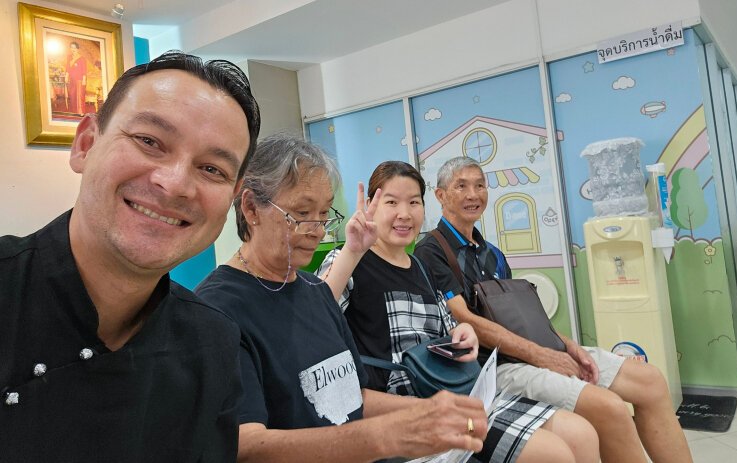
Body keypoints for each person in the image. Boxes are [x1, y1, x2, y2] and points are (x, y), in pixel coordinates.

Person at [0, 51, 261, 462]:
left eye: (212, 169)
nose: (175, 184)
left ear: (231, 196)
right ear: (86, 144)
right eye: (149, 141)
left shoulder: (213, 340)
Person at [194, 135, 489, 463]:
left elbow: (353, 397)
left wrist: (432, 410)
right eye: (302, 213)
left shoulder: (313, 291)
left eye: (324, 214)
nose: (318, 230)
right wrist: (385, 436)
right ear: (251, 207)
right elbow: (246, 447)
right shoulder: (219, 310)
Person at [414, 156, 693, 463]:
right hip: (495, 367)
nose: (473, 194)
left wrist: (569, 348)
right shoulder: (432, 250)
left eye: (480, 185)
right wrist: (544, 356)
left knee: (650, 381)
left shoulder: (492, 253)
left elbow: (526, 317)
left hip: (533, 351)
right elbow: (464, 319)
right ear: (440, 195)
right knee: (610, 406)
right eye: (461, 186)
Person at [318, 161, 599, 463]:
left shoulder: (421, 267)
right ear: (371, 206)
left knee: (581, 433)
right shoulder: (349, 260)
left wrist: (461, 334)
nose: (404, 213)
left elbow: (447, 328)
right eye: (391, 202)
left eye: (414, 202)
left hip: (451, 390)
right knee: (552, 454)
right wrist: (352, 250)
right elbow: (316, 314)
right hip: (402, 407)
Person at [66, 42, 87, 115]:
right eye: (71, 47)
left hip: (79, 80)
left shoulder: (81, 58)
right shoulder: (69, 57)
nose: (73, 49)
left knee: (80, 96)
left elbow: (84, 70)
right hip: (72, 79)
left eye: (74, 47)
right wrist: (66, 76)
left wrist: (84, 80)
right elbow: (67, 67)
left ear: (78, 49)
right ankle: (74, 111)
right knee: (72, 95)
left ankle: (81, 112)